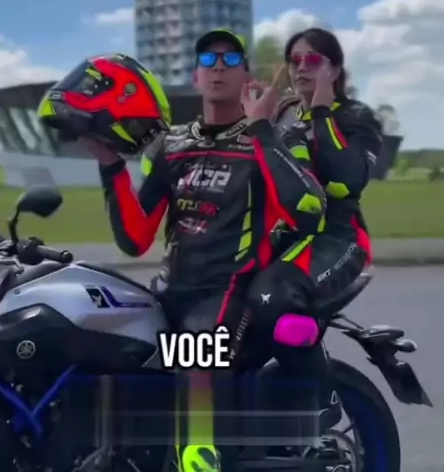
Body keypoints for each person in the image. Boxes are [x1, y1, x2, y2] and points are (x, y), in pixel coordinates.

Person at [78, 31, 327, 472]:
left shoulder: (269, 139)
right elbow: (135, 239)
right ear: (195, 76)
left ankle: (205, 459)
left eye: (231, 59)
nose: (218, 67)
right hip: (169, 290)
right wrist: (110, 165)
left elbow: (308, 210)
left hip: (229, 293)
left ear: (246, 75)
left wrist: (262, 132)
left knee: (196, 352)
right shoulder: (171, 145)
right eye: (208, 59)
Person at [246, 26, 383, 433]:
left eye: (312, 60)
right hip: (285, 238)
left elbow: (347, 180)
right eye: (294, 60)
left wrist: (322, 114)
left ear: (335, 70)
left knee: (271, 298)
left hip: (337, 239)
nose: (301, 67)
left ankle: (322, 397)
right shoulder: (285, 116)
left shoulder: (356, 117)